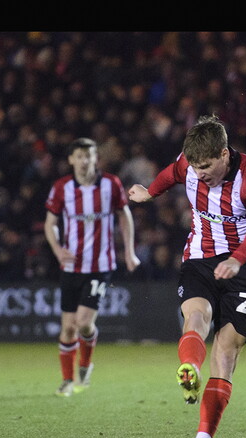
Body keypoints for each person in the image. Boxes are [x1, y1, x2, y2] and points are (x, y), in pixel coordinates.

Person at [128, 114, 246, 438]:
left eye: (207, 166)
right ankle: (189, 370)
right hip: (199, 258)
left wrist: (238, 259)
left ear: (224, 154)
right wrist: (151, 191)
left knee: (228, 345)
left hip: (245, 266)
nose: (200, 173)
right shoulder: (190, 166)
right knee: (196, 316)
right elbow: (172, 173)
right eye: (195, 167)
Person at [44, 137, 140, 397]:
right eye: (80, 156)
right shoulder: (62, 187)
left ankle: (85, 364)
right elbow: (50, 223)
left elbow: (124, 216)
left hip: (100, 267)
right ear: (71, 160)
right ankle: (67, 381)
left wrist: (129, 252)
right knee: (68, 328)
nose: (85, 160)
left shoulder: (111, 184)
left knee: (83, 323)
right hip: (71, 267)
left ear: (96, 158)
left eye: (90, 156)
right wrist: (56, 249)